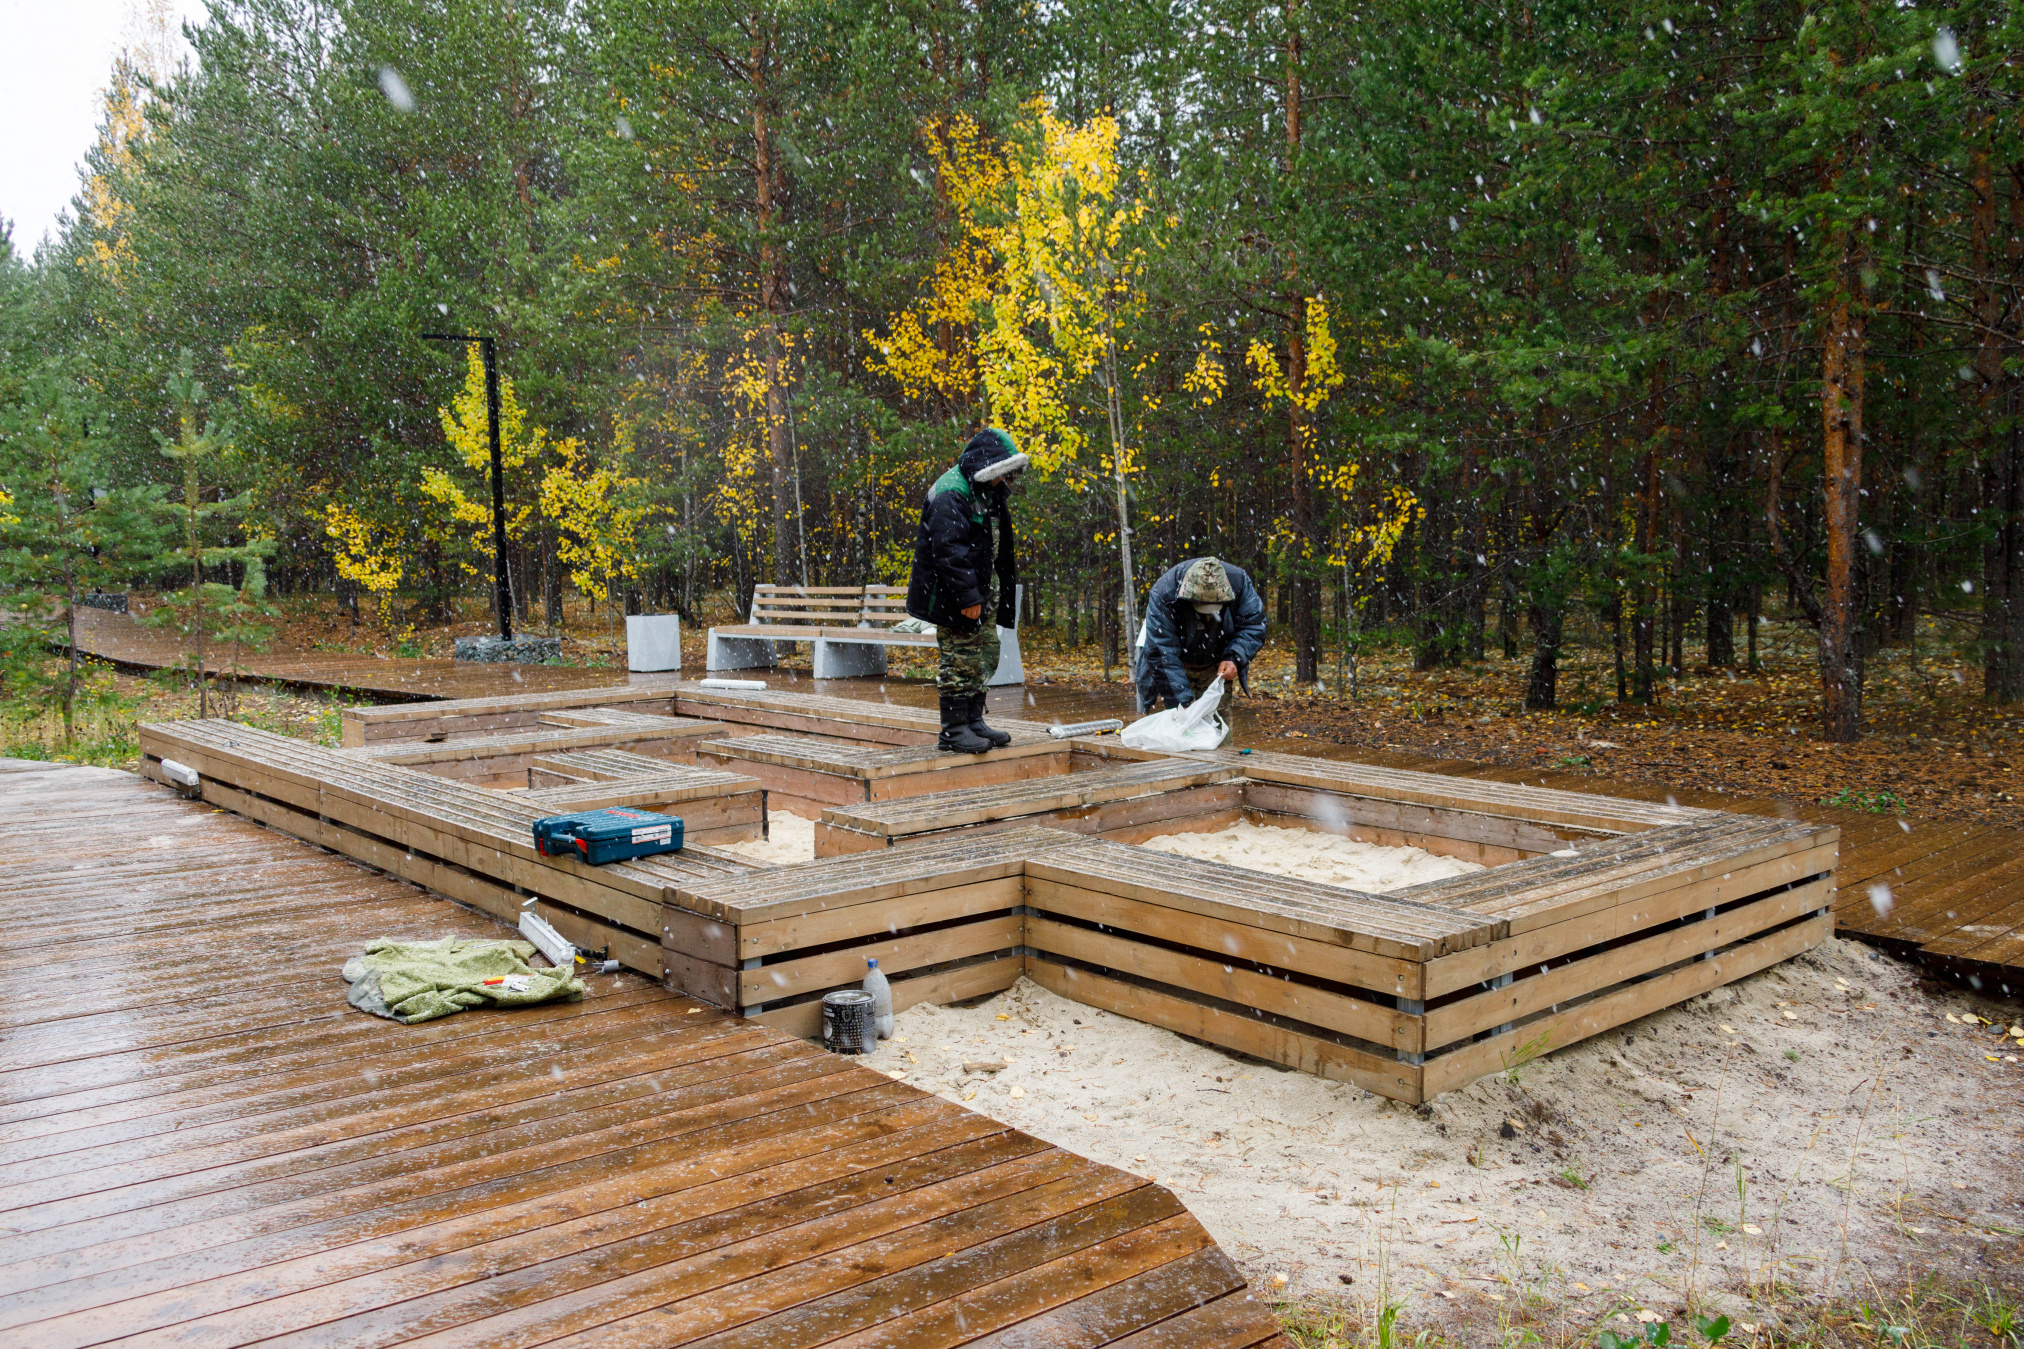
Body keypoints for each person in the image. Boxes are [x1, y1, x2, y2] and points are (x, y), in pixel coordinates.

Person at [906, 427, 1029, 752]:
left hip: (982, 591)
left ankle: (974, 721)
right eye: (1000, 473)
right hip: (954, 596)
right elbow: (948, 551)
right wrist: (968, 597)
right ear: (986, 465)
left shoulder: (987, 491)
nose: (1004, 480)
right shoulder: (952, 491)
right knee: (959, 658)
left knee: (983, 654)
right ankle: (953, 731)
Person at [1134, 556, 1267, 712]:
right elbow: (1162, 651)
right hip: (1176, 665)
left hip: (1216, 665)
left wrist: (1234, 658)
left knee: (1218, 724)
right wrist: (1181, 705)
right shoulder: (1165, 592)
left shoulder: (1239, 582)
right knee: (1176, 723)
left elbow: (1254, 625)